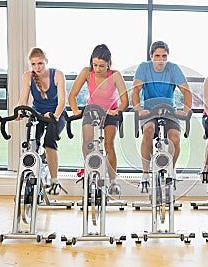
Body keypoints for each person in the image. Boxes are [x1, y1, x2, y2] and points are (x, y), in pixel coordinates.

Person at [68, 44, 129, 196]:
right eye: (95, 65)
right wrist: (77, 111)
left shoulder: (115, 75)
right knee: (87, 143)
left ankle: (113, 182)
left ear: (109, 63)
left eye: (102, 66)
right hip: (92, 110)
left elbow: (125, 101)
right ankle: (89, 172)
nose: (98, 68)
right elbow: (72, 95)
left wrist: (117, 111)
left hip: (110, 113)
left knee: (108, 144)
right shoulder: (86, 73)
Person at [131, 40, 192, 192]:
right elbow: (135, 90)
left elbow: (186, 91)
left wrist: (185, 110)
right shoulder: (144, 68)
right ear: (151, 56)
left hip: (169, 111)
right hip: (149, 111)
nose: (161, 60)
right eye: (157, 56)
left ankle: (172, 169)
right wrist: (138, 109)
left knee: (175, 138)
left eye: (164, 56)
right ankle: (145, 175)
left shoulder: (173, 68)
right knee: (149, 130)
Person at [17, 47, 67, 194]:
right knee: (32, 143)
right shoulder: (28, 77)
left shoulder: (57, 74)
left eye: (40, 63)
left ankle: (54, 181)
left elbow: (62, 101)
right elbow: (23, 100)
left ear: (46, 62)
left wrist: (54, 116)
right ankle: (32, 176)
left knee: (49, 142)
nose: (37, 67)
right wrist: (20, 110)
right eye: (33, 64)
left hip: (57, 114)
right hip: (37, 114)